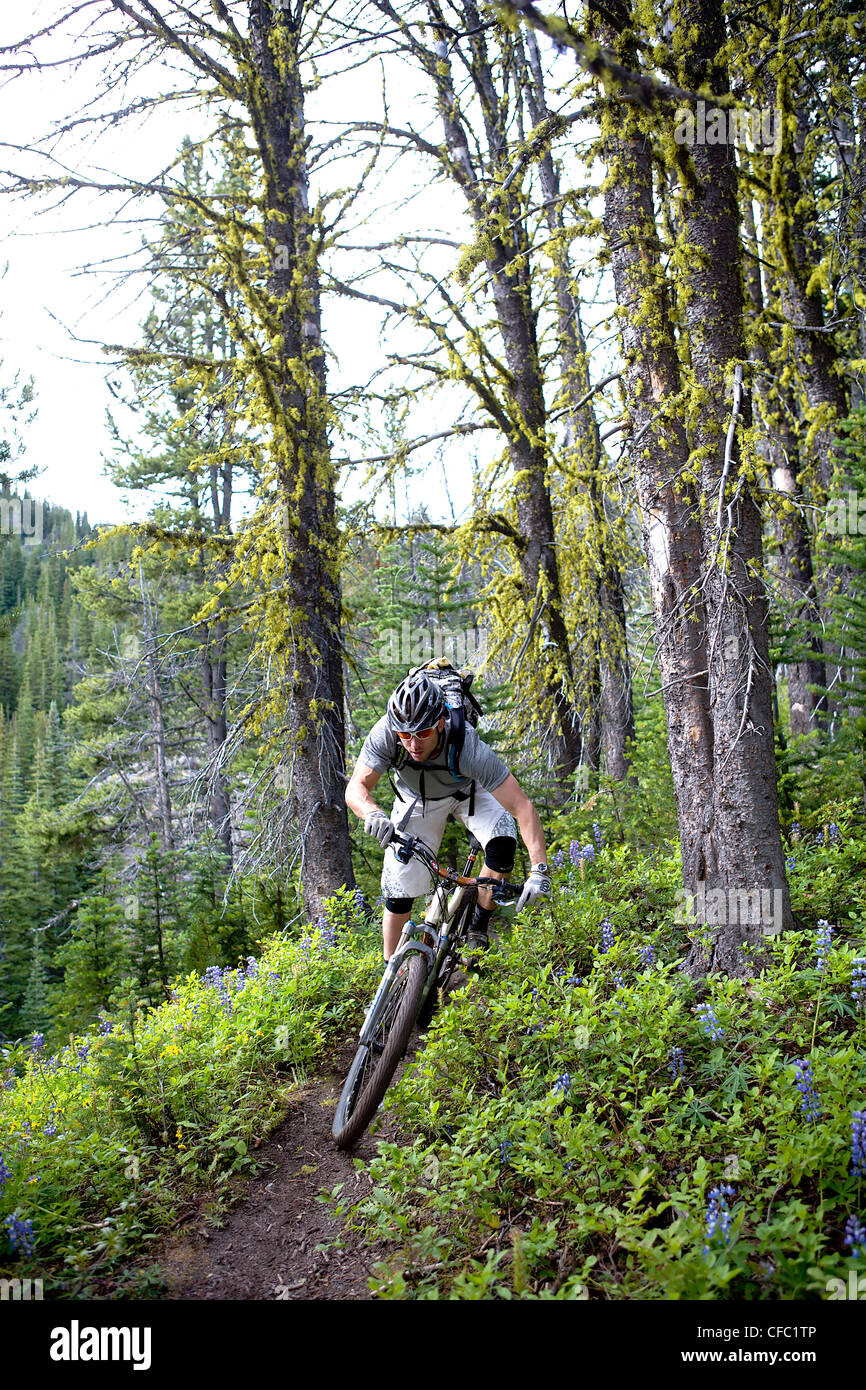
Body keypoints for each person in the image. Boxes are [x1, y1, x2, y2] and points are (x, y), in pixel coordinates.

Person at [345, 669, 551, 963]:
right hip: (416, 798)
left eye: (423, 733)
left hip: (468, 789)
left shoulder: (467, 746)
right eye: (405, 735)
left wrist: (539, 871)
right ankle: (390, 973)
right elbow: (356, 787)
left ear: (440, 723)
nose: (413, 744)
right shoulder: (386, 732)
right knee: (399, 888)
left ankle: (479, 927)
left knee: (502, 841)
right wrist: (372, 813)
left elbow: (521, 806)